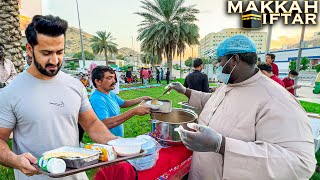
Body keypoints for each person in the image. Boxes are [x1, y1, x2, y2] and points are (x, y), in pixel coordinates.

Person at [171, 35, 316, 179]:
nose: (217, 67)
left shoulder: (275, 99)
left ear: (234, 60)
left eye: (220, 61)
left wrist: (221, 145)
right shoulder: (229, 84)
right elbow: (213, 101)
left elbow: (301, 163)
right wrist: (184, 90)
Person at [0, 15, 116, 180]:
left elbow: (90, 124)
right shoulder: (10, 92)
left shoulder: (75, 86)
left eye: (59, 52)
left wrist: (115, 143)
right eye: (46, 53)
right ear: (29, 49)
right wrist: (15, 160)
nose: (54, 60)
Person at [90, 66, 151, 137]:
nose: (114, 81)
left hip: (116, 139)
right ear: (98, 81)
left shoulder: (110, 93)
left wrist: (142, 98)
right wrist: (133, 111)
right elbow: (104, 123)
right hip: (107, 143)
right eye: (109, 78)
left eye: (114, 77)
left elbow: (123, 103)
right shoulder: (97, 99)